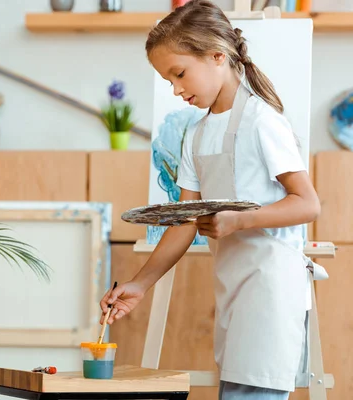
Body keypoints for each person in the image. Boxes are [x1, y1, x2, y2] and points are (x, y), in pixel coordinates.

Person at [99, 1, 323, 399]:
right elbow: (184, 222)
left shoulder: (262, 121)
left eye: (180, 73)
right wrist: (140, 284)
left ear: (218, 56)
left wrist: (238, 221)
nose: (176, 89)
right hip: (233, 289)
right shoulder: (197, 135)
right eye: (168, 80)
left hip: (271, 288)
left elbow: (307, 203)